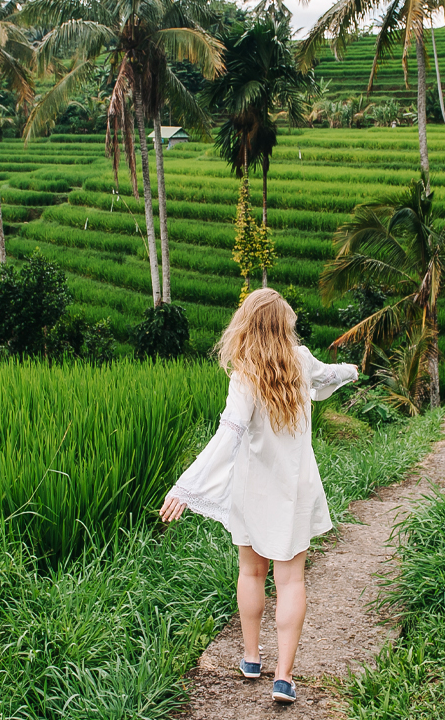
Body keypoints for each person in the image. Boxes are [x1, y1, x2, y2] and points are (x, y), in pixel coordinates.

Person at [160, 288, 359, 704]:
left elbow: (228, 433)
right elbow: (327, 375)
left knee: (251, 573)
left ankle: (251, 658)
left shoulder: (244, 373)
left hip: (252, 491)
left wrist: (186, 484)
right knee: (290, 581)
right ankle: (283, 678)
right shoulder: (301, 361)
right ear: (283, 325)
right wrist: (352, 370)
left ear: (246, 324)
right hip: (294, 490)